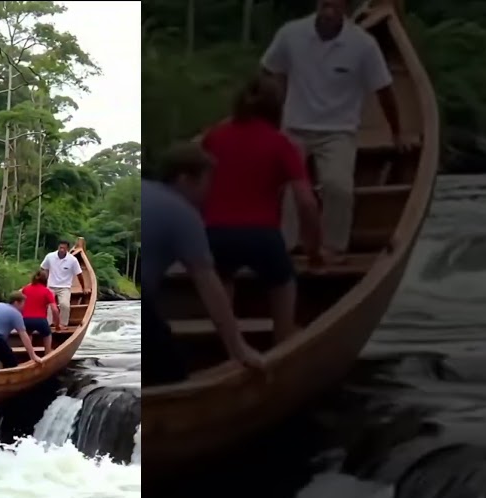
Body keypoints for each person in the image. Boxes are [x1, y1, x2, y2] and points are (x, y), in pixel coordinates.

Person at [261, 0, 407, 264]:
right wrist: (267, 121)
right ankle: (285, 246)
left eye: (335, 5)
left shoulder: (363, 44)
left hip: (338, 130)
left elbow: (384, 90)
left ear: (345, 9)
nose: (328, 10)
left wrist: (396, 132)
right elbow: (269, 72)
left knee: (337, 186)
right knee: (288, 187)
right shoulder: (291, 33)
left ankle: (333, 246)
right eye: (324, 4)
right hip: (295, 126)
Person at [200, 74, 323, 344]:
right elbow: (306, 202)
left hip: (216, 234)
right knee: (283, 281)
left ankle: (227, 348)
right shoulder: (280, 143)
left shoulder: (214, 137)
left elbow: (191, 182)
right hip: (262, 235)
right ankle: (284, 336)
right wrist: (313, 251)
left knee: (223, 279)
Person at [143, 143, 266, 385]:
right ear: (184, 179)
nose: (208, 192)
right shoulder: (183, 214)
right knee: (171, 376)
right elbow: (209, 286)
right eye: (206, 182)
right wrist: (239, 349)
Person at [40, 239, 82, 328]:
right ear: (58, 247)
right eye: (60, 247)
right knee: (48, 305)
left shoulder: (72, 260)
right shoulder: (50, 256)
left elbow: (79, 274)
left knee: (65, 305)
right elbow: (43, 268)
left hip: (65, 287)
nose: (62, 249)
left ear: (67, 249)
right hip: (51, 286)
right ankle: (48, 324)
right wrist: (42, 282)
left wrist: (84, 287)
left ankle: (63, 323)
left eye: (64, 248)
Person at [20, 269, 59, 354]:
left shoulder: (25, 289)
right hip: (40, 321)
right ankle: (47, 354)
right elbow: (55, 309)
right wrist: (57, 324)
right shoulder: (46, 291)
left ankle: (30, 355)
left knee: (28, 334)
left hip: (26, 320)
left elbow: (19, 305)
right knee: (47, 335)